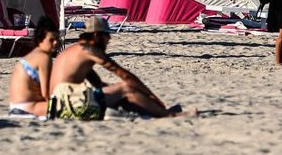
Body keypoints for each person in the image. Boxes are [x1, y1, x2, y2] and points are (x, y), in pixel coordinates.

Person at [47, 17, 184, 120]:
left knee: (116, 91)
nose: (109, 38)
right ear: (96, 35)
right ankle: (168, 114)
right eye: (106, 35)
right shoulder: (90, 49)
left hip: (57, 106)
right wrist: (154, 98)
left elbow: (97, 84)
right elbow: (126, 76)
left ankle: (148, 110)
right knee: (126, 88)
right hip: (71, 106)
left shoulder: (73, 51)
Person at [8, 17, 60, 116]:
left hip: (15, 107)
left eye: (57, 39)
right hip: (29, 108)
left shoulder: (31, 55)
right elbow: (46, 94)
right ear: (40, 40)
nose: (55, 43)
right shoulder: (44, 58)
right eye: (51, 40)